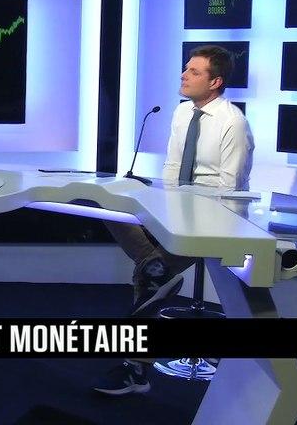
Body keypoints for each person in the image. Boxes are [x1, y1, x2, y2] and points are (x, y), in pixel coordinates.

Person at [94, 44, 254, 395]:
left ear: (215, 82)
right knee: (108, 202)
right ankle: (152, 265)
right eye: (186, 68)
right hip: (176, 209)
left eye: (194, 72)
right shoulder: (182, 113)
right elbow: (172, 167)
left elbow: (230, 188)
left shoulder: (233, 122)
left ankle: (135, 369)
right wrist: (158, 205)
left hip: (213, 219)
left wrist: (184, 212)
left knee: (152, 276)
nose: (184, 75)